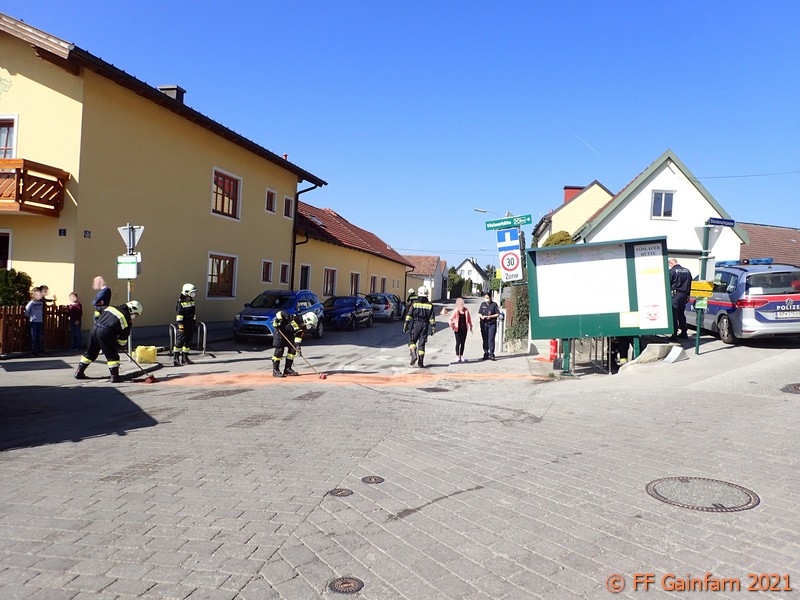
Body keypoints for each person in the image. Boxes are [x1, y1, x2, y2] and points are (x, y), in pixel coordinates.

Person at [74, 301, 142, 383]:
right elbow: (123, 339)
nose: (135, 316)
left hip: (94, 329)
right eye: (136, 314)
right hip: (106, 332)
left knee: (90, 352)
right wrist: (119, 346)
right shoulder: (127, 319)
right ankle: (115, 377)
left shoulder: (112, 307)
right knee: (112, 356)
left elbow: (98, 310)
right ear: (132, 310)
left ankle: (79, 372)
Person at [271, 310, 319, 377]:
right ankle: (275, 370)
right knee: (279, 350)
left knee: (292, 349)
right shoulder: (293, 318)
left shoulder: (303, 328)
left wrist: (298, 347)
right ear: (306, 320)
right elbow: (281, 312)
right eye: (309, 324)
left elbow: (298, 338)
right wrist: (277, 321)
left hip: (289, 334)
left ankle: (287, 369)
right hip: (280, 332)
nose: (309, 327)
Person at [403, 286, 436, 368]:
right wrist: (433, 328)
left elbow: (409, 315)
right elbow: (432, 318)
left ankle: (413, 354)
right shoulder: (430, 305)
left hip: (416, 324)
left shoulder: (415, 303)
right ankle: (420, 362)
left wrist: (406, 324)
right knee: (421, 344)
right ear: (427, 294)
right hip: (425, 325)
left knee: (412, 341)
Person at [173, 283, 197, 366]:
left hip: (190, 324)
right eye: (192, 292)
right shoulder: (180, 303)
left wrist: (194, 324)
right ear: (186, 292)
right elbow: (179, 316)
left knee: (188, 341)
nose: (194, 294)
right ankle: (176, 359)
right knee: (179, 342)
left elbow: (193, 314)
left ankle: (185, 358)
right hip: (183, 325)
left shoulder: (192, 301)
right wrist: (181, 326)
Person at [668, 258, 692, 341]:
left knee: (674, 314)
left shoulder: (671, 271)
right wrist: (688, 295)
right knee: (681, 313)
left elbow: (667, 283)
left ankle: (674, 334)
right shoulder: (687, 271)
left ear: (671, 264)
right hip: (684, 295)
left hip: (675, 295)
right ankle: (684, 332)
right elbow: (690, 283)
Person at [448, 297, 473, 363]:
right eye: (459, 304)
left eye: (462, 304)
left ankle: (461, 355)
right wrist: (452, 325)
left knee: (463, 343)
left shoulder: (466, 310)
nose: (461, 306)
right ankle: (457, 356)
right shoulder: (456, 310)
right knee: (458, 343)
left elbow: (469, 319)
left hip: (464, 329)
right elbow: (450, 319)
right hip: (457, 329)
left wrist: (471, 326)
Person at [478, 291, 501, 360]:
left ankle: (491, 354)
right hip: (484, 324)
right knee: (485, 339)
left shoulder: (494, 304)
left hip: (491, 324)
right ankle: (485, 353)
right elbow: (479, 313)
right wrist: (481, 316)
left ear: (490, 298)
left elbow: (498, 313)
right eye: (485, 298)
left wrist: (491, 316)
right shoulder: (483, 304)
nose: (486, 299)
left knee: (491, 339)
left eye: (487, 298)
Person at [24, 287, 45, 357]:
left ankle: (40, 350)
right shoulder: (31, 304)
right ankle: (34, 351)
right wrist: (31, 316)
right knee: (34, 337)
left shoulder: (41, 303)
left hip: (40, 321)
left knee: (40, 337)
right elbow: (26, 313)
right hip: (33, 322)